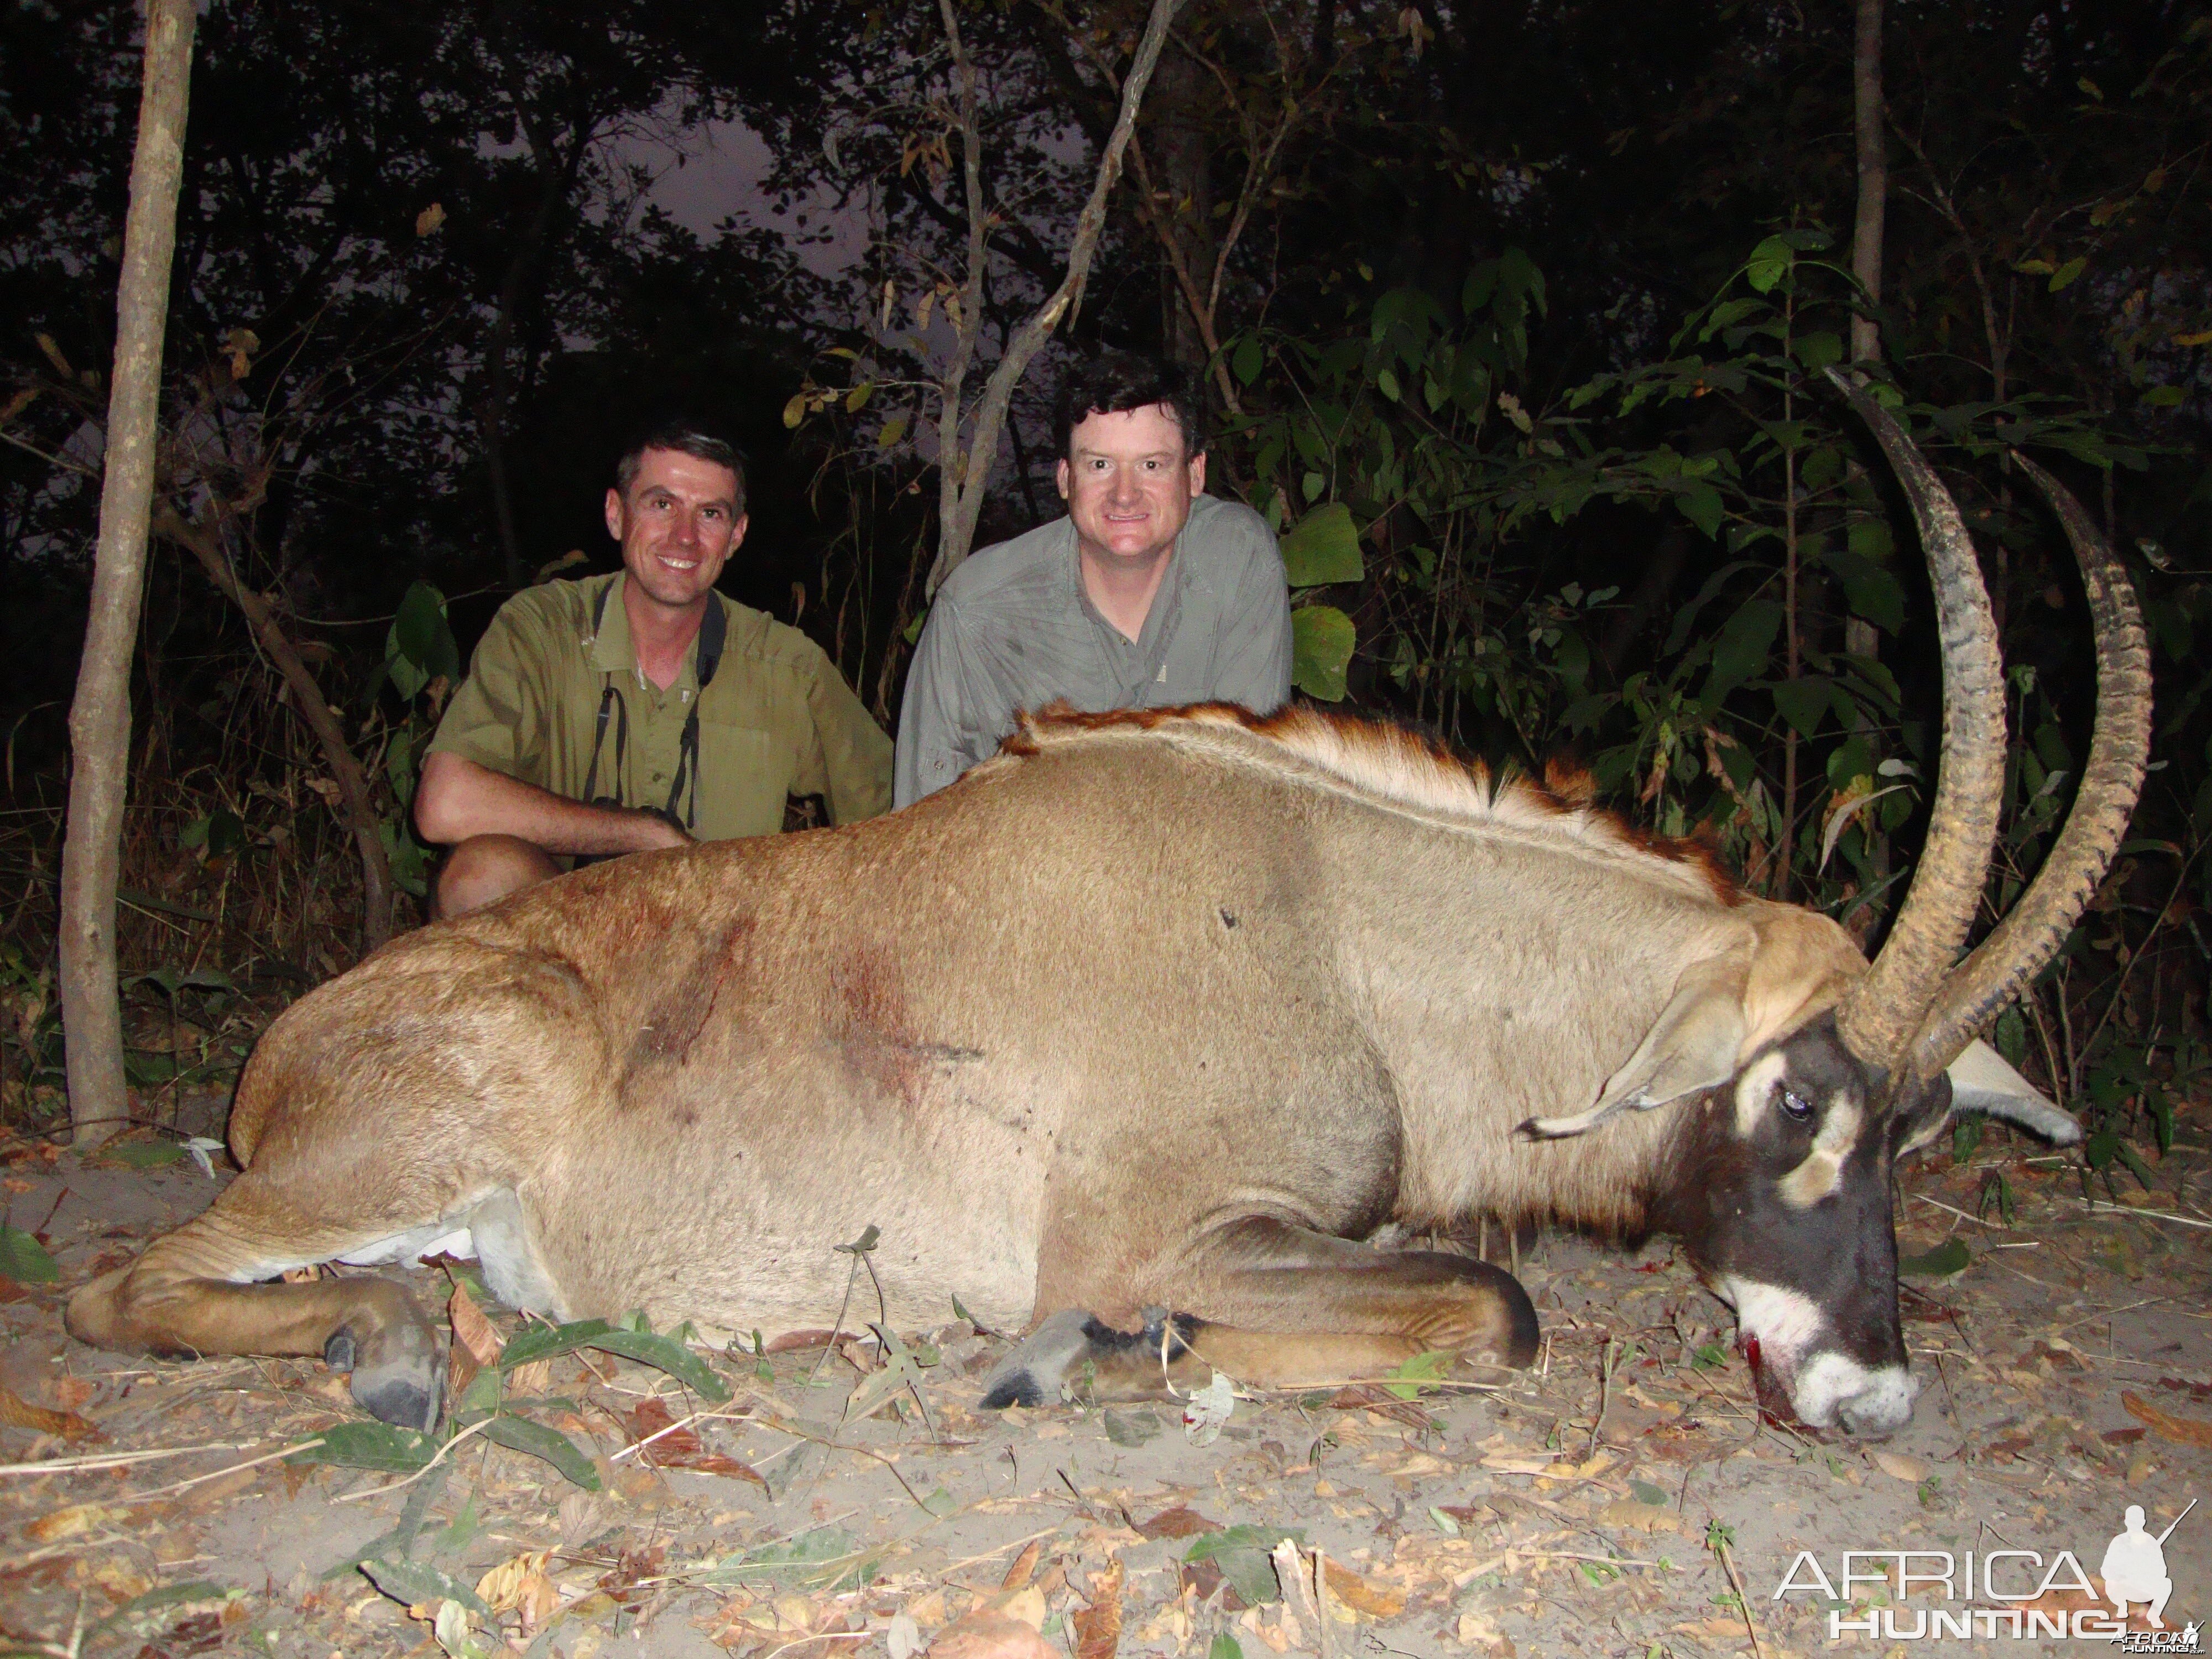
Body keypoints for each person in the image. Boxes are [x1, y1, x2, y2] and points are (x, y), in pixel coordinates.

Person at [416, 423, 893, 916]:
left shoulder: (790, 667)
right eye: (662, 505)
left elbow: (896, 819)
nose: (684, 537)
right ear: (616, 514)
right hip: (563, 940)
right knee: (482, 874)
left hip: (721, 950)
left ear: (736, 536)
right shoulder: (541, 629)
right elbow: (444, 804)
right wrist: (644, 835)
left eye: (710, 514)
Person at [893, 353, 1293, 806]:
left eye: (1152, 465)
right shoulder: (974, 610)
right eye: (1100, 465)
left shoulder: (1238, 559)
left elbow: (1253, 790)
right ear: (1066, 478)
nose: (1125, 495)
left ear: (1194, 474)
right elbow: (920, 819)